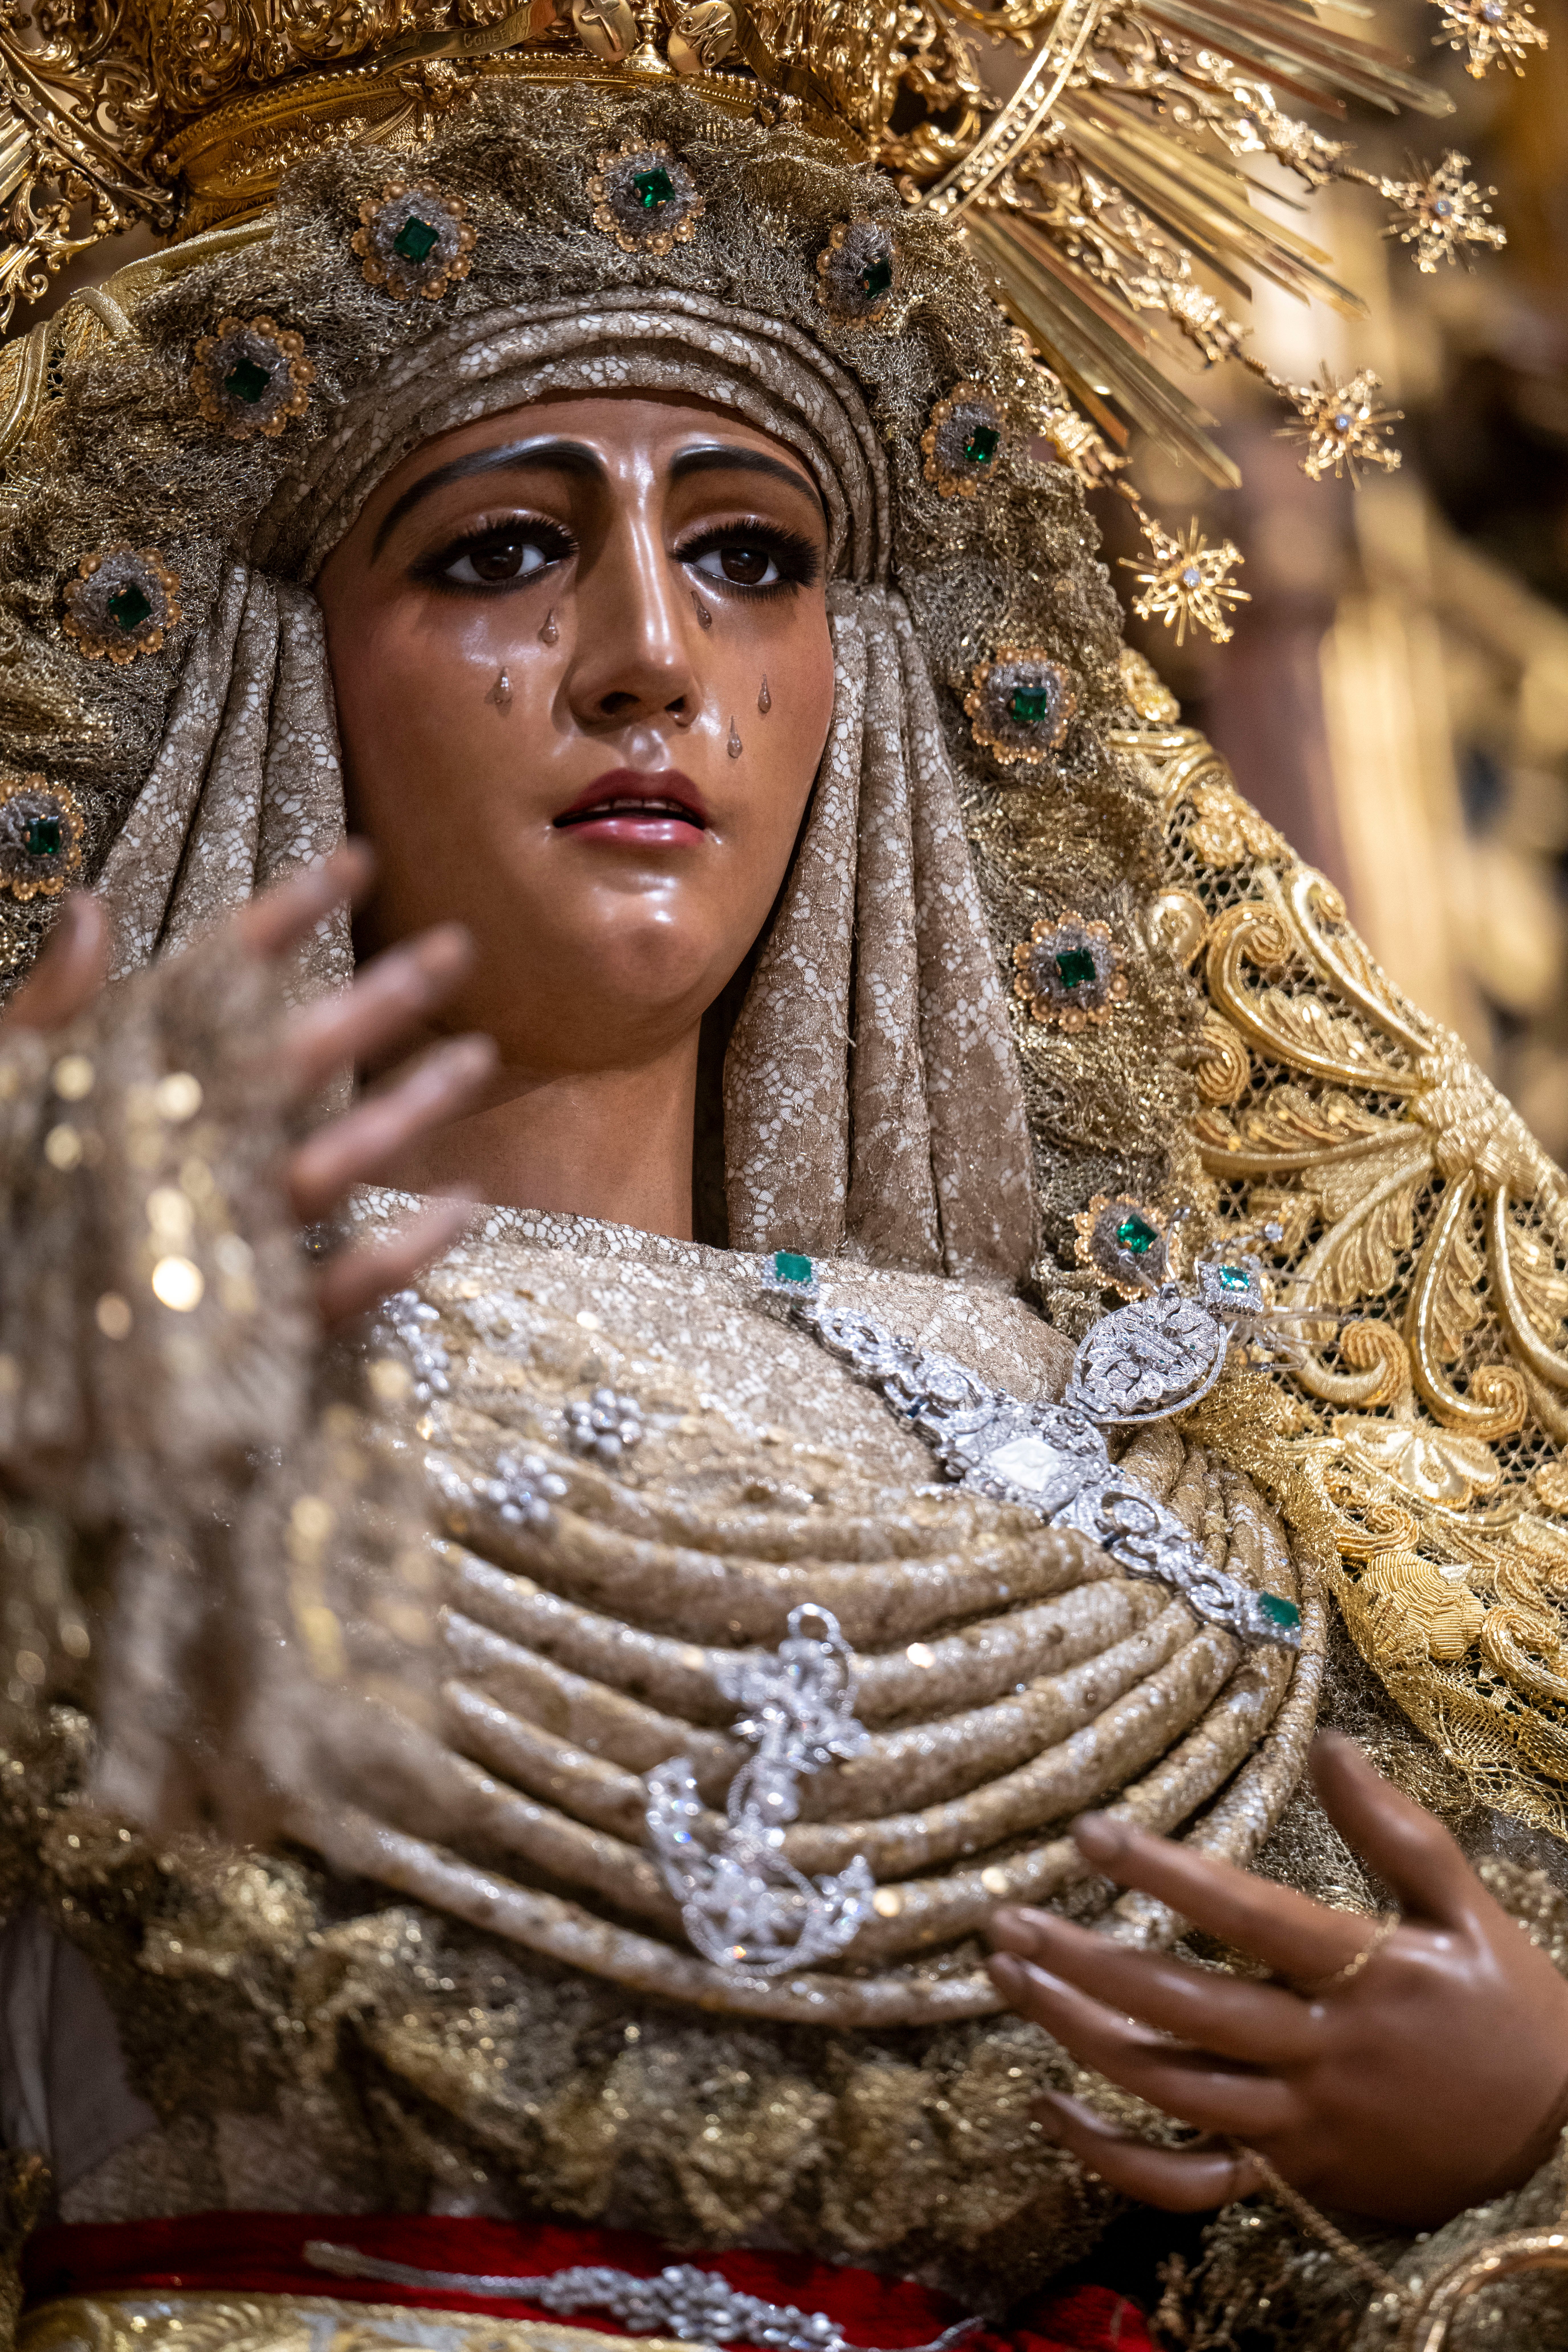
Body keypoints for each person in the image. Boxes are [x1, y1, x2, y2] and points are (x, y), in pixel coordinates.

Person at [0, 23, 1565, 2352]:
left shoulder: (1139, 1507)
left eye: (751, 557)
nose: (653, 656)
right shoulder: (84, 1339)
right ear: (271, 662)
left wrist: (1490, 2141)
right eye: (504, 552)